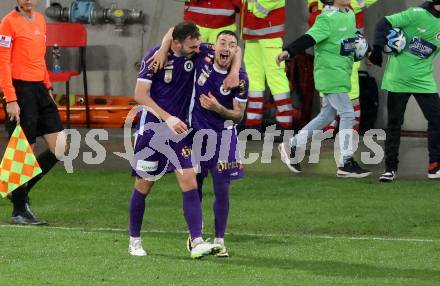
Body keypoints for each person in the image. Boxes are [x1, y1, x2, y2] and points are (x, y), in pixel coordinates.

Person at [276, 0, 371, 178]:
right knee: (348, 113)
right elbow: (309, 38)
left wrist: (369, 52)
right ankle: (345, 162)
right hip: (329, 75)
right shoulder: (326, 18)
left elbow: (356, 37)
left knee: (326, 115)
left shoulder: (349, 14)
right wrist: (288, 51)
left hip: (342, 73)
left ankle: (291, 145)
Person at [0, 0, 67, 225]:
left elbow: (40, 59)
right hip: (19, 90)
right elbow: (3, 62)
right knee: (23, 150)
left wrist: (47, 87)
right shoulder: (8, 23)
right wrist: (10, 98)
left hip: (40, 88)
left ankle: (19, 189)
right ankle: (19, 210)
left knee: (60, 147)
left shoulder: (39, 19)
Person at [187, 30, 248, 257]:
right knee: (195, 184)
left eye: (231, 45)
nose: (226, 48)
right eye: (222, 42)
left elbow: (238, 116)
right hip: (197, 135)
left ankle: (220, 240)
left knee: (222, 189)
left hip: (224, 137)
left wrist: (218, 109)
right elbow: (176, 36)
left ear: (235, 51)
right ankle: (195, 234)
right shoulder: (203, 55)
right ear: (213, 46)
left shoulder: (240, 79)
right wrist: (163, 51)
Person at [369, 0, 440, 181]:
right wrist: (377, 49)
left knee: (437, 120)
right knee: (394, 124)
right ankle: (390, 169)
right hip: (398, 79)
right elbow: (382, 23)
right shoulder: (416, 14)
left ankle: (434, 166)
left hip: (423, 80)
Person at [307, 0, 379, 134]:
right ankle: (330, 127)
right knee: (329, 85)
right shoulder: (325, 16)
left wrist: (349, 5)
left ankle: (351, 127)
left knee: (350, 84)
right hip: (329, 37)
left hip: (349, 41)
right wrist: (314, 6)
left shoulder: (349, 12)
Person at [239, 0, 297, 131]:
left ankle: (285, 124)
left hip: (269, 31)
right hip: (251, 31)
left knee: (275, 76)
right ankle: (253, 123)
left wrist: (257, 9)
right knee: (253, 79)